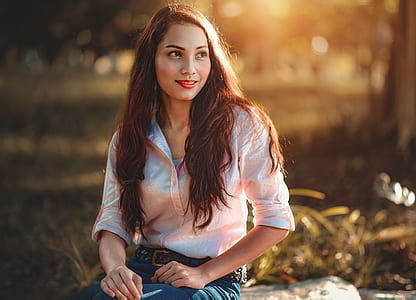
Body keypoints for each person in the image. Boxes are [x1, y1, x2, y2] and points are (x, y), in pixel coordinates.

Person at [74, 3, 295, 300]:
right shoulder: (129, 137)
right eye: (175, 53)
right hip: (142, 269)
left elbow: (276, 220)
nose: (190, 68)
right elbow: (114, 221)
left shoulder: (243, 124)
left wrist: (203, 273)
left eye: (200, 54)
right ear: (151, 59)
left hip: (212, 277)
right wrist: (115, 269)